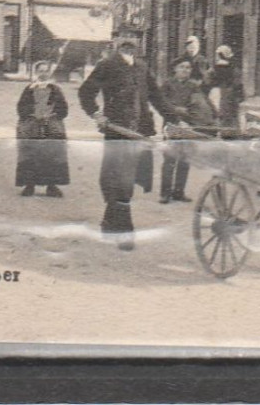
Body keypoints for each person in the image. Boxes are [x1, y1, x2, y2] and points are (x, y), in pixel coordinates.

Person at [79, 39, 159, 249]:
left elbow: (157, 97)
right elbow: (86, 92)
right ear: (117, 43)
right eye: (124, 37)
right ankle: (124, 232)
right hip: (117, 130)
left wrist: (176, 117)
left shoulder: (142, 67)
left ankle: (109, 223)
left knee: (126, 179)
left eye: (134, 37)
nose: (129, 43)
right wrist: (96, 114)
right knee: (120, 179)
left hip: (140, 131)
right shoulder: (107, 65)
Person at [156, 57, 217, 203]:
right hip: (171, 126)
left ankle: (178, 192)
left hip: (189, 125)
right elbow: (161, 104)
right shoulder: (167, 85)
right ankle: (165, 193)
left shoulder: (193, 86)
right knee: (170, 159)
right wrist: (176, 110)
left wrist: (214, 115)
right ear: (175, 69)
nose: (185, 70)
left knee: (185, 160)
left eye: (188, 68)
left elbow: (203, 103)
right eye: (182, 67)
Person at [14, 62, 70, 198]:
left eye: (46, 71)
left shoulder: (56, 89)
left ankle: (52, 186)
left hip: (50, 125)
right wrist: (32, 115)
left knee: (52, 155)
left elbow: (63, 108)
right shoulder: (29, 89)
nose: (44, 73)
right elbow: (21, 107)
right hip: (32, 125)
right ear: (36, 72)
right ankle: (29, 185)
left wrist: (52, 116)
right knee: (31, 153)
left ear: (49, 72)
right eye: (41, 71)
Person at [206, 43, 242, 132]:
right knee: (230, 115)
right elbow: (238, 84)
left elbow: (207, 81)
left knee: (217, 113)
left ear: (219, 55)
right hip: (230, 94)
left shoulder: (213, 69)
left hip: (216, 93)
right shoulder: (235, 69)